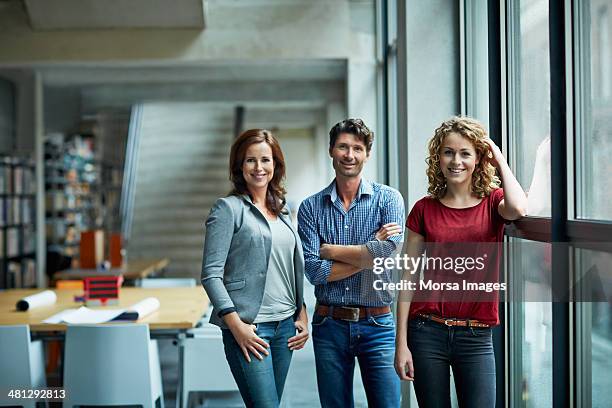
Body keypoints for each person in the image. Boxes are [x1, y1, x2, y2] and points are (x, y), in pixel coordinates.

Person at [394, 116, 527, 407]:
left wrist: (499, 160)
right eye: (448, 152)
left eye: (466, 153)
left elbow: (517, 207)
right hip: (426, 331)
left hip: (476, 335)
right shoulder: (423, 209)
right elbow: (408, 279)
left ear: (479, 159)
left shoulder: (494, 202)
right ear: (438, 157)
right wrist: (400, 343)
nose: (456, 161)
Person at [297, 118, 405, 407]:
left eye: (357, 148)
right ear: (331, 150)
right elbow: (314, 271)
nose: (349, 155)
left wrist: (331, 250)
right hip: (329, 324)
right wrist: (369, 251)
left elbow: (390, 249)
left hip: (378, 324)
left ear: (367, 154)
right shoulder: (310, 207)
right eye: (343, 147)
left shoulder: (388, 199)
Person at [201, 129, 309, 408]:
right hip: (251, 327)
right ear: (239, 166)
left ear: (276, 164)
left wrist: (302, 312)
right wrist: (235, 326)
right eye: (250, 160)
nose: (259, 167)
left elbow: (290, 268)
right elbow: (211, 275)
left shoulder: (282, 210)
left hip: (286, 326)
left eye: (266, 160)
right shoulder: (228, 209)